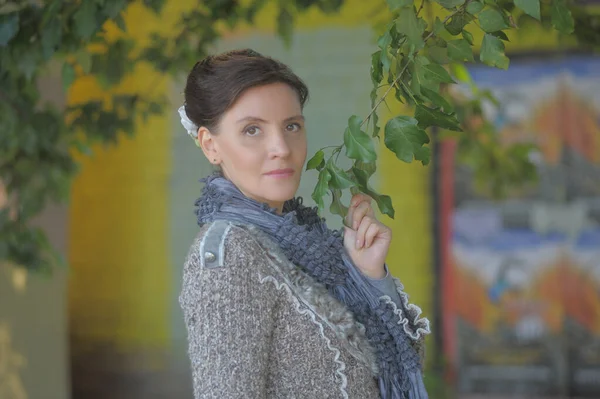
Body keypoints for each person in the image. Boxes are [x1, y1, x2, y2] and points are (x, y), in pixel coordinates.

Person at [178, 49, 430, 399]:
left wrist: (368, 278)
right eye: (252, 130)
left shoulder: (313, 248)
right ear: (210, 145)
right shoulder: (230, 256)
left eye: (291, 126)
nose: (281, 147)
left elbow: (402, 365)